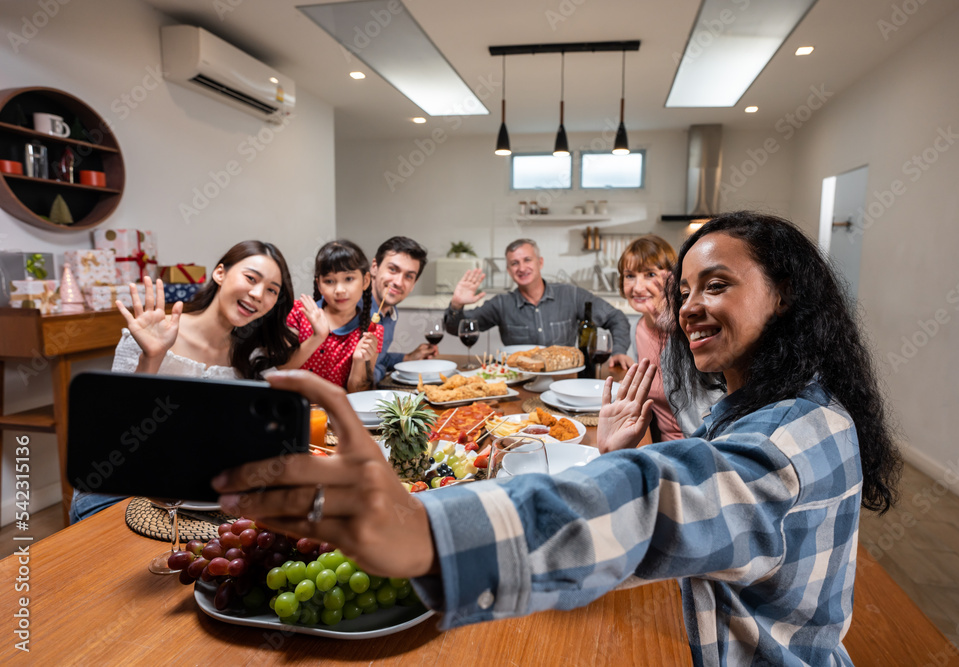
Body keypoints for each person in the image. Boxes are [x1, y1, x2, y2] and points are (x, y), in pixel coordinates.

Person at [213, 212, 901, 666]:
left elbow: (650, 505)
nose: (688, 305)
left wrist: (422, 530)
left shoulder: (790, 441)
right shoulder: (782, 403)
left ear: (788, 295)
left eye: (714, 285)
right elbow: (690, 488)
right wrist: (619, 452)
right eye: (684, 288)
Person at [70, 240, 297, 523]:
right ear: (220, 273)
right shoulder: (155, 334)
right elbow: (115, 434)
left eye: (272, 290)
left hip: (204, 495)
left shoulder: (255, 359)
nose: (257, 294)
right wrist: (152, 356)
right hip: (125, 487)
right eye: (251, 278)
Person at [443, 238, 633, 368]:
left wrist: (618, 351)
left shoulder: (571, 294)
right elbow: (457, 328)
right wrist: (456, 305)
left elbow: (615, 317)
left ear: (540, 262)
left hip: (563, 381)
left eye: (527, 260)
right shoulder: (501, 304)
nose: (522, 267)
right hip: (518, 385)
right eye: (514, 263)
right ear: (509, 270)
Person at [617, 235, 722, 439]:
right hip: (660, 444)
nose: (637, 287)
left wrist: (674, 325)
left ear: (673, 278)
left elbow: (718, 397)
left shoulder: (691, 327)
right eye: (630, 276)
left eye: (650, 274)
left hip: (701, 445)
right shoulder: (638, 328)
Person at [283, 240, 383, 393]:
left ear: (365, 281)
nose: (340, 290)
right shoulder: (299, 312)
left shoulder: (372, 331)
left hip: (335, 414)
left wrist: (359, 362)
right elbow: (283, 367)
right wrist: (318, 336)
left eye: (349, 279)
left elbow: (358, 393)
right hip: (296, 410)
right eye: (329, 281)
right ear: (319, 285)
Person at [367, 236, 438, 383]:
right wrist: (380, 370)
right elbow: (362, 375)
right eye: (392, 269)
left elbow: (378, 357)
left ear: (414, 284)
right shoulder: (351, 308)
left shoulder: (391, 311)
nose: (398, 282)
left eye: (408, 276)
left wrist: (407, 358)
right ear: (374, 267)